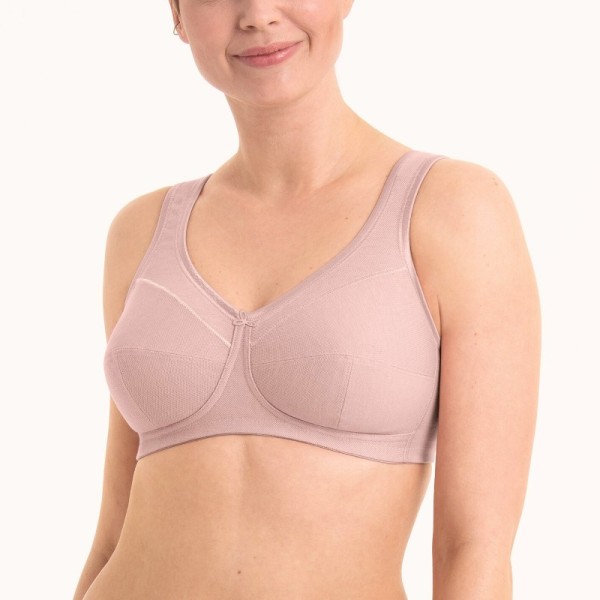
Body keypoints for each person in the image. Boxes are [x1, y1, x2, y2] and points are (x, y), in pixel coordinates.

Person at [73, 1, 541, 599]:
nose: (258, 15)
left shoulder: (454, 209)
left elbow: (473, 548)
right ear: (178, 14)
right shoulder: (141, 230)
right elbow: (111, 535)